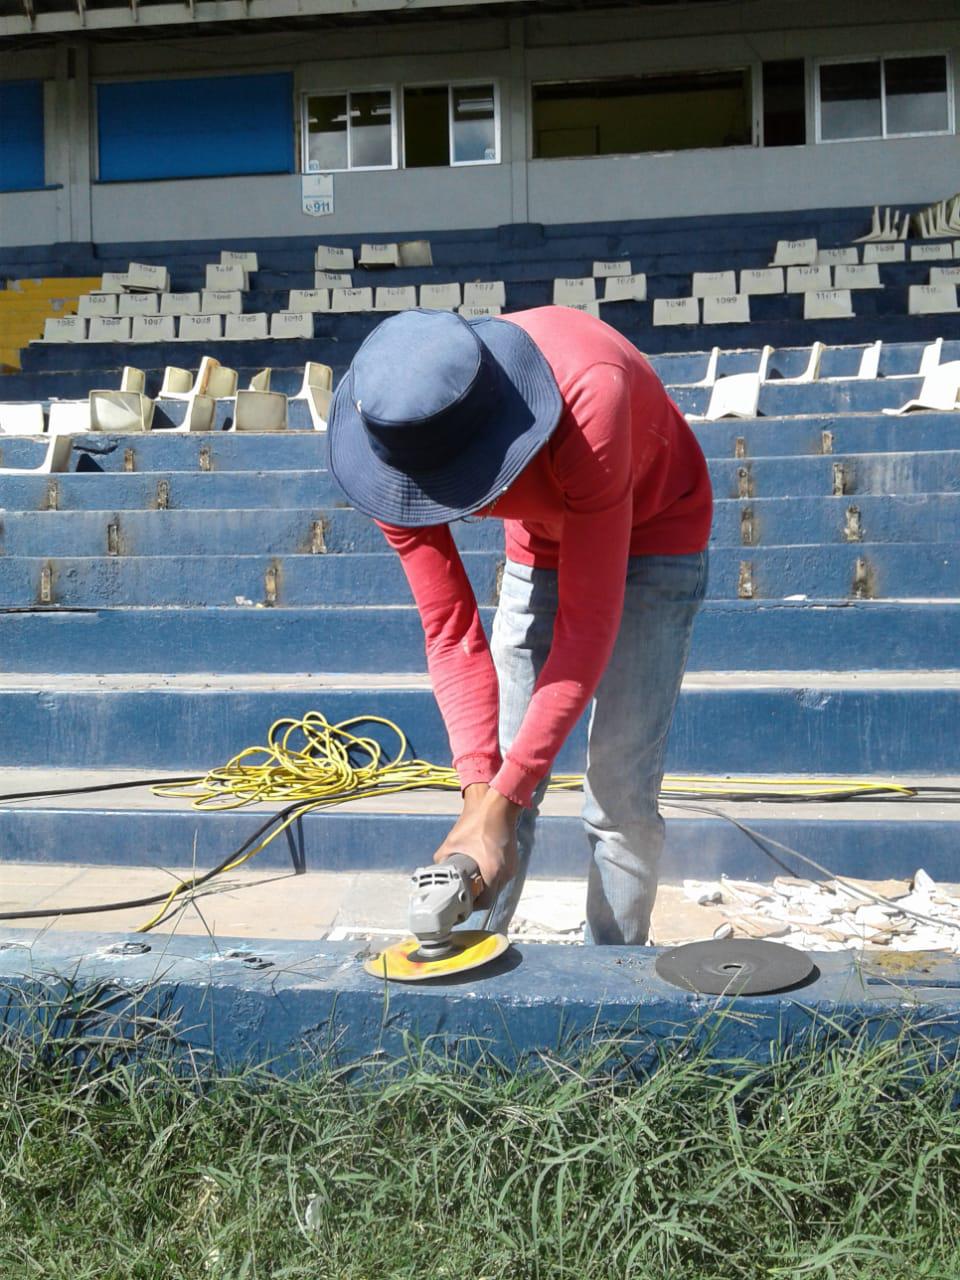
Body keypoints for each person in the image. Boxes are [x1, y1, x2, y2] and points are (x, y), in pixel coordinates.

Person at [328, 305, 711, 944]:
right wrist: (481, 792)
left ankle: (609, 987)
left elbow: (588, 627)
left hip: (655, 530)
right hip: (543, 540)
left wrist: (503, 799)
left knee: (617, 793)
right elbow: (450, 630)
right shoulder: (392, 436)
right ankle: (469, 961)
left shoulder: (589, 393)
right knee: (502, 780)